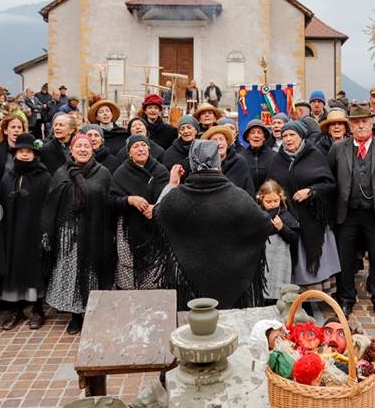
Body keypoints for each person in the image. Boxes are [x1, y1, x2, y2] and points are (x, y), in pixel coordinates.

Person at [153, 140, 273, 309]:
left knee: (193, 330)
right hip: (233, 279)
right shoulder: (238, 197)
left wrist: (172, 185)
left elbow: (157, 213)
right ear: (218, 163)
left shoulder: (176, 198)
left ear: (192, 164)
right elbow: (264, 224)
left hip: (188, 285)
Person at [328, 104, 375, 322]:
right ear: (350, 125)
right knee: (346, 259)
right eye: (356, 122)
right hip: (347, 213)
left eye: (365, 122)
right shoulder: (338, 148)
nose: (361, 126)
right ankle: (346, 300)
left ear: (372, 123)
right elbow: (331, 179)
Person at [41, 133, 114, 334]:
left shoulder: (103, 173)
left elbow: (109, 202)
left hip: (95, 231)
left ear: (93, 150)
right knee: (71, 273)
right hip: (68, 234)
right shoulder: (61, 173)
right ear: (71, 150)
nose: (82, 149)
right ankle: (75, 315)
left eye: (87, 146)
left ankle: (92, 312)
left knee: (91, 273)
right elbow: (51, 203)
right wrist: (48, 231)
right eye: (78, 146)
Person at [264, 121, 341, 302]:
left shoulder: (314, 155)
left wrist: (311, 191)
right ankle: (293, 297)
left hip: (312, 218)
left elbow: (329, 184)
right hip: (288, 219)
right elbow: (271, 184)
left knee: (310, 259)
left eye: (292, 135)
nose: (288, 139)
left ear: (301, 137)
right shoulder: (277, 159)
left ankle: (312, 297)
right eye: (285, 136)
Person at [0, 134, 51, 330]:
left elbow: (48, 204)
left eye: (29, 152)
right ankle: (15, 310)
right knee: (13, 268)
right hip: (11, 231)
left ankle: (37, 309)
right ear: (15, 154)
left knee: (33, 269)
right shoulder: (8, 176)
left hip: (34, 230)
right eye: (21, 151)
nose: (25, 155)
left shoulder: (43, 176)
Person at [110, 134, 169, 290]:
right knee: (128, 266)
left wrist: (155, 208)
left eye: (143, 146)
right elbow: (111, 201)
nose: (140, 149)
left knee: (154, 267)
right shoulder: (121, 173)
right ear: (129, 152)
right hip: (129, 229)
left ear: (149, 149)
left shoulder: (160, 171)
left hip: (154, 229)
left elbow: (170, 198)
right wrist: (129, 200)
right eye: (136, 147)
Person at [257, 179, 299, 304]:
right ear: (261, 199)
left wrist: (282, 228)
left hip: (280, 260)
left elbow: (294, 238)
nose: (272, 204)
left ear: (281, 198)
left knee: (278, 290)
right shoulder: (258, 214)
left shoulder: (285, 215)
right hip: (262, 259)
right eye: (268, 201)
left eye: (275, 201)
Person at [202, 125, 254, 196]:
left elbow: (249, 191)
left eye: (221, 139)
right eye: (214, 140)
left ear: (226, 142)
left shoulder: (239, 162)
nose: (219, 143)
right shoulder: (204, 165)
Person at [0, 114, 27, 187]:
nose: (16, 130)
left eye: (19, 127)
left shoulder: (30, 151)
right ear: (5, 131)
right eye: (13, 127)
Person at [240, 119, 276, 188]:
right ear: (247, 137)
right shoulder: (240, 157)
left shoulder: (274, 156)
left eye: (259, 133)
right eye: (252, 133)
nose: (256, 136)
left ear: (264, 137)